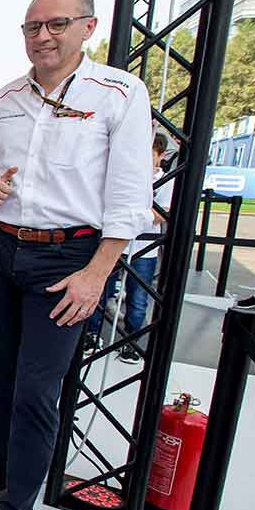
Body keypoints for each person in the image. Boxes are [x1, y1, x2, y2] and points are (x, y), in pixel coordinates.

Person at [0, 0, 153, 510]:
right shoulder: (7, 97)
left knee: (38, 392)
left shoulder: (120, 93)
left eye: (55, 24)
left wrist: (97, 273)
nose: (42, 36)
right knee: (0, 375)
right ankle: (1, 471)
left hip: (66, 261)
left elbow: (129, 197)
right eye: (31, 26)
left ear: (87, 27)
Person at [82, 130, 174, 362]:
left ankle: (131, 342)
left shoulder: (166, 181)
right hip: (114, 245)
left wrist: (130, 216)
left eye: (150, 153)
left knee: (138, 297)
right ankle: (92, 335)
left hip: (145, 248)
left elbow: (160, 214)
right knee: (100, 290)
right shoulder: (128, 177)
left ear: (160, 155)